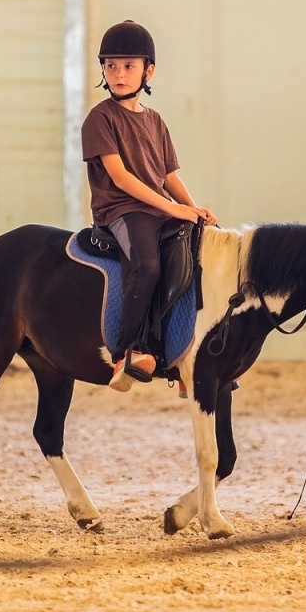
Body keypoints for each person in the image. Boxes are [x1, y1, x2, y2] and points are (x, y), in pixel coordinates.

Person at [81, 20, 216, 391]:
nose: (118, 74)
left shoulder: (155, 121)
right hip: (122, 210)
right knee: (147, 264)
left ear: (148, 71)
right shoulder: (100, 118)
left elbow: (169, 176)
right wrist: (174, 210)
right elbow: (121, 178)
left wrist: (193, 208)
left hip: (157, 209)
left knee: (199, 256)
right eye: (110, 66)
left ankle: (188, 352)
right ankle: (127, 351)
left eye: (128, 66)